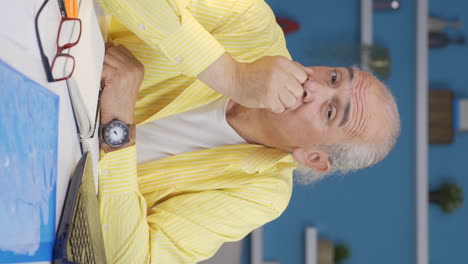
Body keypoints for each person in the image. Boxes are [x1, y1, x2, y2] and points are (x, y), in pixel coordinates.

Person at [96, 0, 401, 263]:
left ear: (314, 158)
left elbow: (130, 258)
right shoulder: (251, 23)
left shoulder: (262, 196)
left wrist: (118, 123)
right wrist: (230, 74)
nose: (314, 87)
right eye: (334, 77)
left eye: (330, 111)